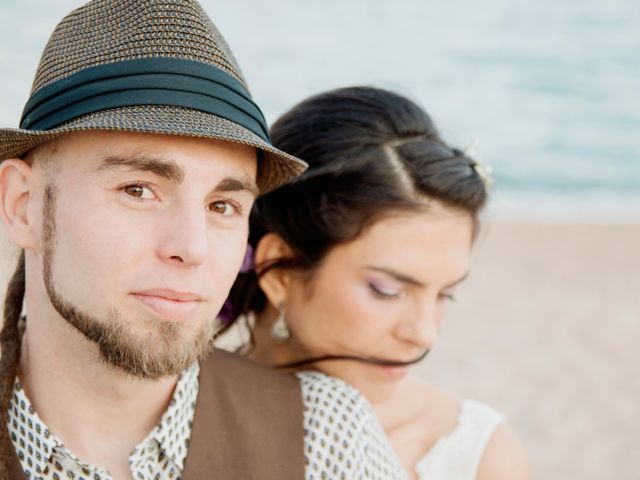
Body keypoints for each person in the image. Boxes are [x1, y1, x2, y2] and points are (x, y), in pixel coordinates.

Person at [0, 2, 406, 479]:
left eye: (222, 206)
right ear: (22, 204)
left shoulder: (324, 436)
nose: (193, 248)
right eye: (139, 190)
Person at [224, 86, 530, 480]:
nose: (423, 334)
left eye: (445, 295)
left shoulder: (480, 456)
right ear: (280, 270)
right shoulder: (163, 415)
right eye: (387, 290)